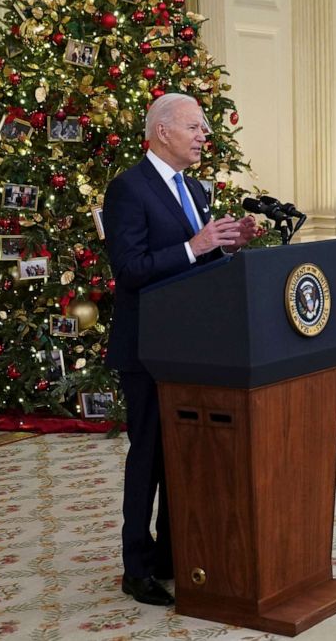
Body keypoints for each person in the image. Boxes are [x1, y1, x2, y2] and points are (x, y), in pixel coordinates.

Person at [104, 93, 257, 606]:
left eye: (204, 129)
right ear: (162, 130)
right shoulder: (128, 188)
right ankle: (136, 566)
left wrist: (228, 243)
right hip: (148, 345)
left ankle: (172, 552)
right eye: (194, 127)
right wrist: (196, 245)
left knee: (184, 453)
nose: (202, 136)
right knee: (148, 456)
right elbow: (129, 269)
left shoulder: (193, 187)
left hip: (193, 344)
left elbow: (196, 264)